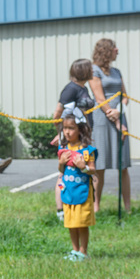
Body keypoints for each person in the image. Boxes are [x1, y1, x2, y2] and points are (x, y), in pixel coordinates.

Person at [88, 38, 132, 213]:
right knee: (100, 165)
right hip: (101, 121)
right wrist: (116, 119)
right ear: (106, 51)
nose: (117, 50)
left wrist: (119, 110)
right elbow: (99, 98)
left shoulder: (117, 71)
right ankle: (96, 207)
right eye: (114, 47)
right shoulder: (94, 70)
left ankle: (128, 208)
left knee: (124, 165)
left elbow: (125, 96)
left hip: (118, 118)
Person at [52, 58, 95, 220]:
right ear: (83, 71)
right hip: (69, 139)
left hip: (83, 137)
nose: (92, 71)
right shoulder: (70, 89)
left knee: (81, 170)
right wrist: (61, 133)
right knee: (64, 171)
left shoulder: (82, 88)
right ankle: (60, 210)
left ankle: (79, 205)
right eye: (90, 69)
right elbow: (57, 114)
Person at [57, 110, 97, 261]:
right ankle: (74, 251)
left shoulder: (87, 150)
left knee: (82, 223)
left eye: (71, 128)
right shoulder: (63, 149)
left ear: (80, 130)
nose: (67, 132)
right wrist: (61, 163)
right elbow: (61, 170)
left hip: (83, 192)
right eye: (65, 128)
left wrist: (83, 166)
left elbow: (92, 170)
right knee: (71, 223)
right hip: (68, 191)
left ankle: (83, 252)